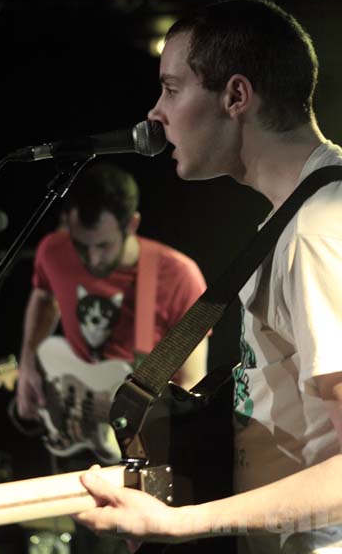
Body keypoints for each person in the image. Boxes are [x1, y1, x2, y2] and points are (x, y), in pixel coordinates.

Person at [73, 0, 342, 553]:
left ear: (236, 96)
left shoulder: (318, 231)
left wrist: (174, 524)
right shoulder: (295, 216)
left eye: (172, 89)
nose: (156, 113)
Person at [16, 162, 209, 554]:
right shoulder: (54, 250)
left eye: (102, 246)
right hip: (74, 426)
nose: (90, 258)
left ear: (132, 224)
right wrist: (27, 365)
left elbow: (190, 388)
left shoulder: (178, 276)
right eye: (80, 244)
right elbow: (43, 297)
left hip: (138, 446)